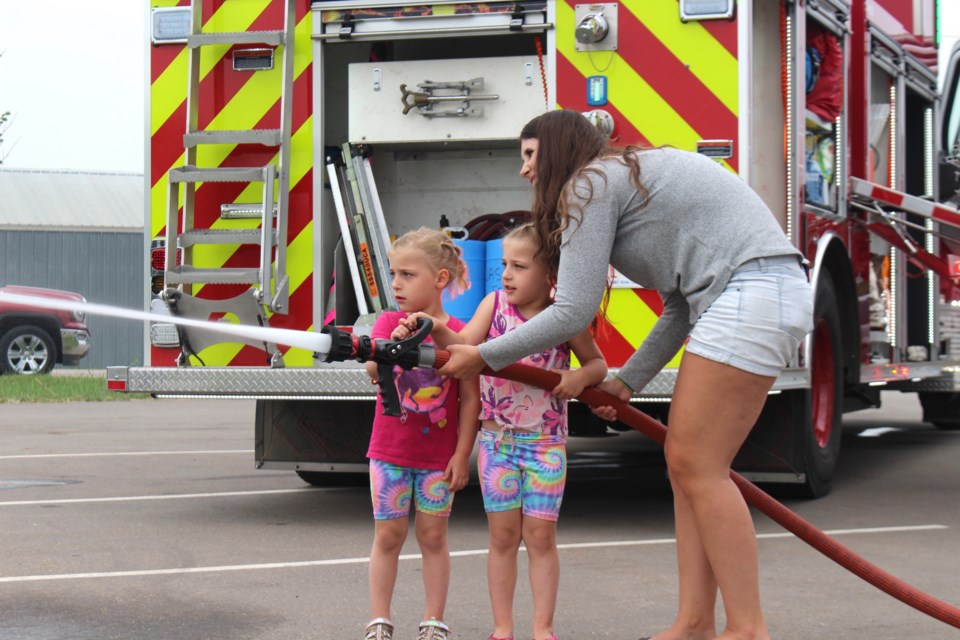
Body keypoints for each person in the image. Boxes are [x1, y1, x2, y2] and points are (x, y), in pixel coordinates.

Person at [435, 110, 814, 640]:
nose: (523, 171)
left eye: (529, 155)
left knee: (698, 466)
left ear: (561, 150)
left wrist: (486, 356)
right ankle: (695, 623)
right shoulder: (619, 178)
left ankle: (747, 630)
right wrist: (626, 382)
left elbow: (570, 312)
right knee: (686, 468)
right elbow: (680, 304)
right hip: (757, 291)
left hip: (753, 293)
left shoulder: (588, 184)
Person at [399, 222, 608, 640]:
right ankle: (502, 628)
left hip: (545, 446)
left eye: (519, 266)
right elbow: (464, 346)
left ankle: (543, 628)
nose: (507, 275)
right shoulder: (493, 305)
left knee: (540, 537)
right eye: (504, 266)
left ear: (551, 277)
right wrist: (435, 328)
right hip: (497, 444)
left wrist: (579, 378)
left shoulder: (562, 316)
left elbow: (598, 364)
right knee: (503, 538)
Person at [362, 227, 481, 640]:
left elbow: (471, 399)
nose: (396, 284)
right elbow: (372, 371)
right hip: (389, 451)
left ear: (440, 280)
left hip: (437, 458)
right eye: (394, 274)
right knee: (388, 535)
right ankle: (379, 618)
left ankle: (434, 620)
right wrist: (388, 347)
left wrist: (462, 455)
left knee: (433, 536)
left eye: (408, 275)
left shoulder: (460, 333)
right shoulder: (389, 321)